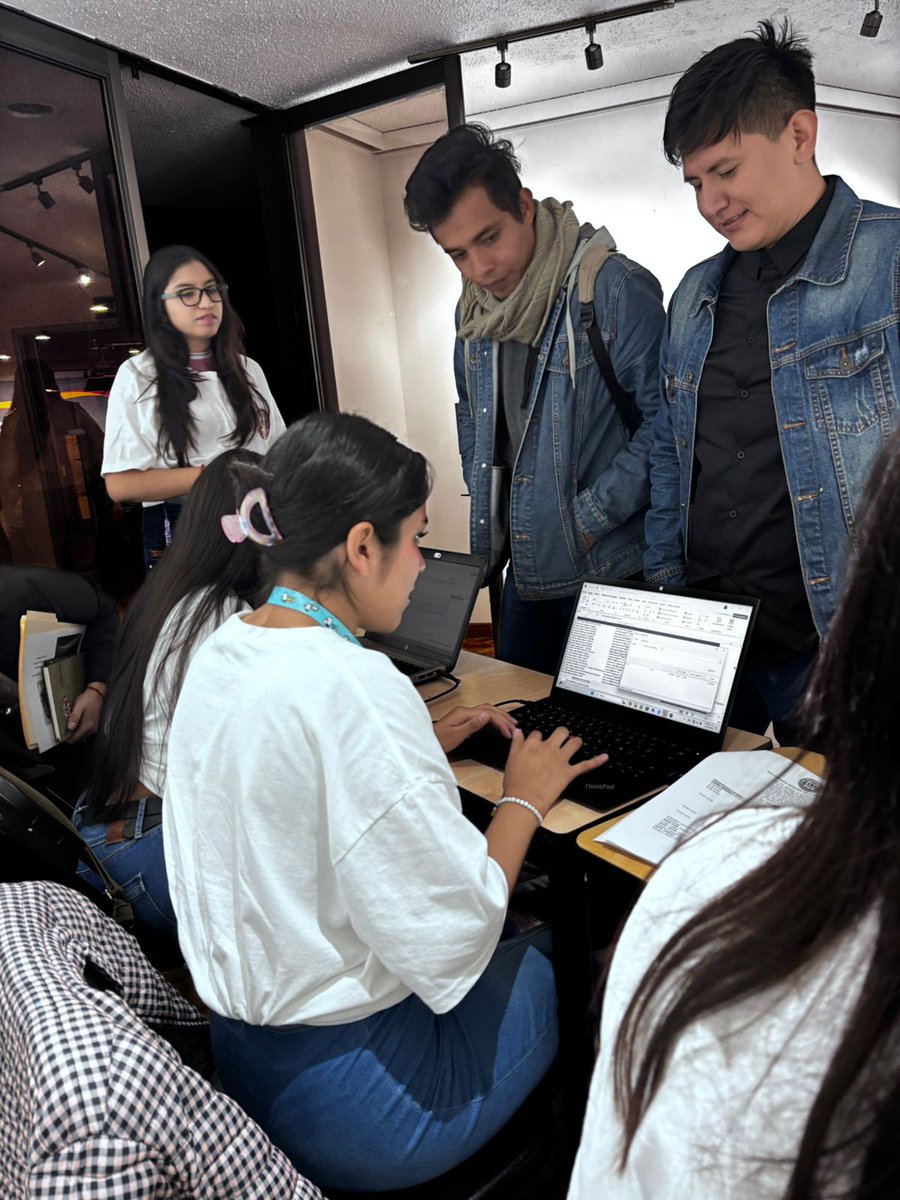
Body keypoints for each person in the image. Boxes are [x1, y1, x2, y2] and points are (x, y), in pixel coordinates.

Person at [163, 412, 609, 1192]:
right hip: (365, 1108)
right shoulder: (356, 685)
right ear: (363, 547)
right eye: (418, 540)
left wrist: (410, 749)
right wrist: (524, 799)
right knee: (589, 957)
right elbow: (459, 929)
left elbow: (284, 785)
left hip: (246, 1059)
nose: (423, 566)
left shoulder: (226, 648)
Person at [569, 425, 900, 1199]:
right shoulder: (704, 889)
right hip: (702, 588)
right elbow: (666, 445)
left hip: (777, 628)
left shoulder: (701, 885)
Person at [643, 20, 900, 740]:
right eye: (696, 182)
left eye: (725, 171)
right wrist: (664, 585)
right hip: (707, 642)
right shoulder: (693, 294)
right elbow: (671, 453)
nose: (709, 202)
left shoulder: (889, 264)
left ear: (799, 136)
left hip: (837, 647)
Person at [404, 124, 666, 673]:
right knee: (518, 717)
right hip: (523, 566)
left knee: (612, 726)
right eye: (457, 254)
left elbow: (669, 426)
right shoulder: (473, 311)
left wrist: (586, 517)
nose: (479, 268)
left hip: (611, 568)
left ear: (523, 206)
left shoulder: (612, 289)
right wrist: (485, 496)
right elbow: (471, 413)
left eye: (489, 238)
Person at [73, 449, 263, 943]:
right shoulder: (225, 617)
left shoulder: (167, 592)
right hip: (145, 854)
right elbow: (252, 764)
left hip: (104, 831)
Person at [102, 244, 286, 569]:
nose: (205, 302)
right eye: (187, 293)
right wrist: (219, 474)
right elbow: (120, 485)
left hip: (259, 517)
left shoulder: (248, 369)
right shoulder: (138, 375)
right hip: (185, 524)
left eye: (212, 290)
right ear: (159, 305)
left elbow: (279, 453)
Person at [0, 566, 117, 781]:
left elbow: (104, 608)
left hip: (96, 723)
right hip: (35, 763)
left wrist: (98, 688)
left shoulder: (17, 592)